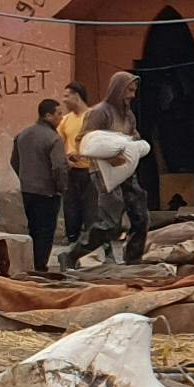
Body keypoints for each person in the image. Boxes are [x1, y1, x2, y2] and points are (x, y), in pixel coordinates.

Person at [63, 72, 152, 265]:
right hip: (105, 175)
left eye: (134, 91)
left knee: (141, 216)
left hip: (127, 173)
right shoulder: (100, 112)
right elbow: (84, 140)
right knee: (110, 225)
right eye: (129, 90)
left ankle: (133, 260)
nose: (132, 95)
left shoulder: (128, 115)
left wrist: (136, 146)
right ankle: (71, 255)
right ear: (118, 89)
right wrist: (111, 156)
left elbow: (133, 137)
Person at [9, 95, 68, 269]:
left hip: (28, 190)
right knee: (45, 231)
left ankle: (32, 264)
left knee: (33, 228)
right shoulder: (53, 138)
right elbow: (59, 167)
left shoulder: (22, 134)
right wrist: (61, 187)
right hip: (47, 191)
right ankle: (40, 266)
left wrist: (24, 177)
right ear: (47, 116)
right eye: (58, 113)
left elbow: (14, 161)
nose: (61, 117)